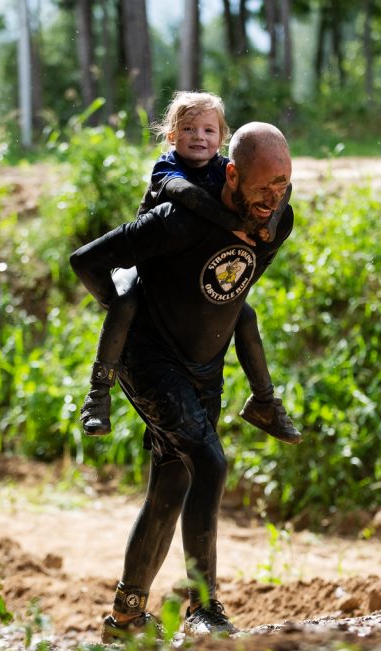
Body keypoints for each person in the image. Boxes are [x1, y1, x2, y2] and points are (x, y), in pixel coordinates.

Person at [69, 121, 296, 641]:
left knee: (173, 482)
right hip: (151, 358)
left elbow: (235, 289)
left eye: (282, 185)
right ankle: (204, 609)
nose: (273, 199)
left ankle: (126, 617)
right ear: (232, 174)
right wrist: (128, 313)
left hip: (205, 365)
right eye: (263, 186)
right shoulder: (176, 220)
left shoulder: (276, 222)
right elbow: (86, 261)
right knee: (209, 461)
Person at [78, 91, 300, 447]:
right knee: (128, 303)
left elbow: (279, 185)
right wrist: (233, 222)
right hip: (147, 267)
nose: (200, 137)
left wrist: (270, 225)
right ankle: (98, 394)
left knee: (244, 316)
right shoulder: (168, 169)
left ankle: (265, 402)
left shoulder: (223, 168)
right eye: (189, 129)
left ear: (222, 138)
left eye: (209, 130)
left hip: (190, 278)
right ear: (171, 136)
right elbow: (188, 196)